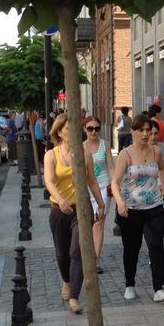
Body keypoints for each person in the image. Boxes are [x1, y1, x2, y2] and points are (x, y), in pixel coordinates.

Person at [42, 114, 105, 315]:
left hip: (81, 208)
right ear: (60, 132)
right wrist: (60, 200)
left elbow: (92, 180)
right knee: (62, 253)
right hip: (59, 210)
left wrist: (101, 203)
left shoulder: (83, 153)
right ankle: (67, 281)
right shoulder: (51, 155)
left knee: (76, 251)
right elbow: (50, 182)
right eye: (69, 129)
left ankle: (74, 296)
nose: (73, 132)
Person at [110, 113, 164, 303]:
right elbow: (115, 182)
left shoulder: (156, 152)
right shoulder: (125, 154)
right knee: (132, 248)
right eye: (141, 130)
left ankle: (158, 288)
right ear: (133, 131)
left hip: (154, 206)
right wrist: (120, 203)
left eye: (148, 130)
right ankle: (130, 285)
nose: (145, 134)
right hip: (131, 209)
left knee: (156, 246)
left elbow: (162, 168)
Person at [83, 115, 114, 274]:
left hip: (102, 188)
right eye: (90, 128)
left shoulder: (105, 145)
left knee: (99, 224)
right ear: (84, 129)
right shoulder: (81, 147)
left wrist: (114, 184)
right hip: (86, 190)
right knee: (87, 224)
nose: (94, 131)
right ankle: (86, 258)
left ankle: (95, 260)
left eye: (96, 128)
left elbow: (110, 167)